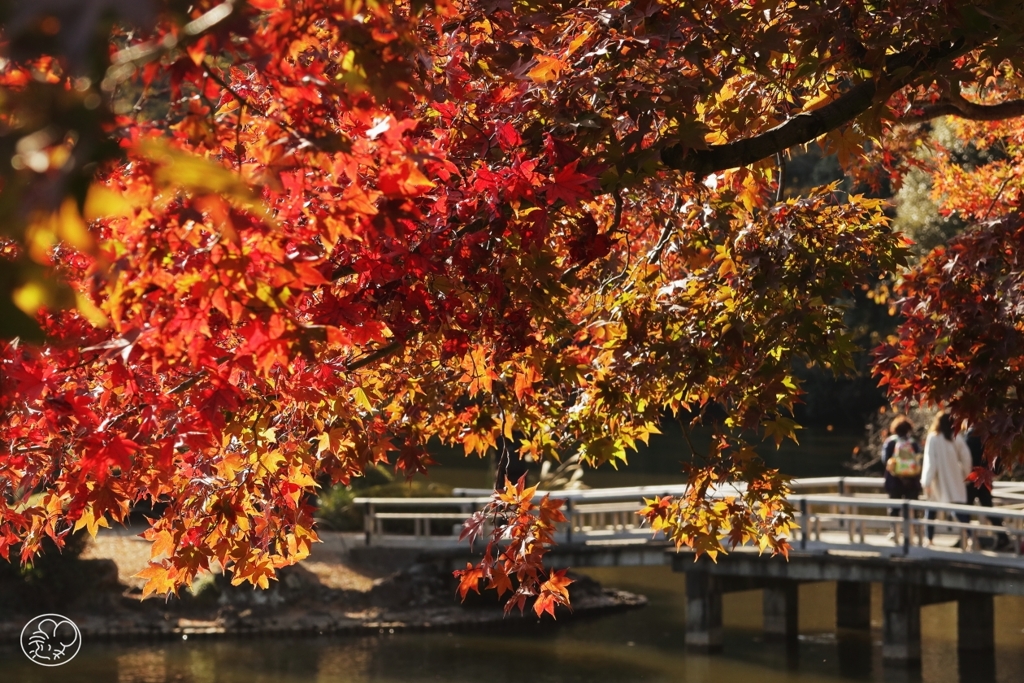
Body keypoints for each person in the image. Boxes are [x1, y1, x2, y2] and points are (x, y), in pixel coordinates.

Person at [921, 412, 973, 546]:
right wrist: (965, 475)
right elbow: (966, 458)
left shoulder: (933, 438)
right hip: (955, 477)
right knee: (959, 509)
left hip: (938, 480)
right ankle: (972, 537)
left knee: (931, 509)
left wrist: (927, 481)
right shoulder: (956, 437)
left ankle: (929, 538)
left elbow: (930, 462)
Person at [964, 425, 1011, 550]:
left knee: (964, 510)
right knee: (988, 509)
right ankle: (1003, 537)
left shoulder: (970, 437)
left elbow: (966, 457)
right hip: (985, 477)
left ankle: (969, 538)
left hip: (972, 477)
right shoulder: (991, 435)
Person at [880, 415, 922, 542]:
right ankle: (912, 534)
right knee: (912, 508)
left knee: (894, 508)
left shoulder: (890, 442)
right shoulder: (914, 443)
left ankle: (895, 533)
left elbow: (884, 460)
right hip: (912, 480)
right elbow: (920, 460)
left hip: (894, 481)